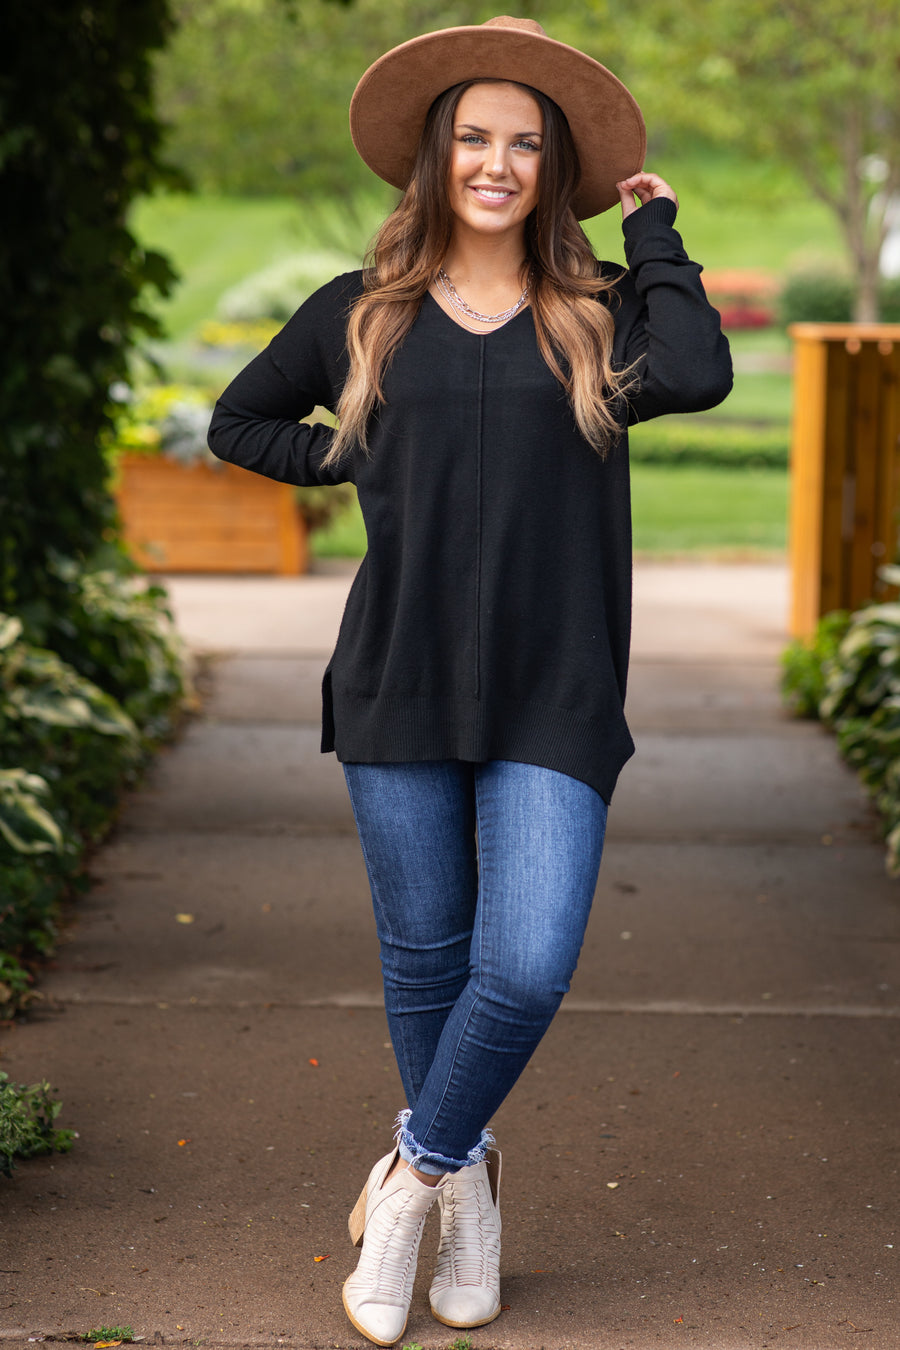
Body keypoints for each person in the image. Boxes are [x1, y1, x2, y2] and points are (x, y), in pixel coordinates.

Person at [208, 15, 732, 1347]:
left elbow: (699, 371)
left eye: (526, 143)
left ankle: (413, 1175)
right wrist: (342, 456)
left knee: (528, 961)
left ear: (553, 169)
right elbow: (238, 420)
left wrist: (656, 233)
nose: (497, 163)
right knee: (429, 963)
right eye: (475, 138)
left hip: (556, 690)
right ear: (436, 156)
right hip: (399, 679)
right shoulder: (362, 314)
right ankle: (472, 1191)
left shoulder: (597, 314)